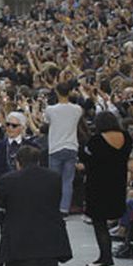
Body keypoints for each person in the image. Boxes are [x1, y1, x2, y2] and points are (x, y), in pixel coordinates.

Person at [78, 111, 133, 266]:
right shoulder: (126, 138)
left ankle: (106, 259)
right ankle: (103, 257)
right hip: (117, 184)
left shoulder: (96, 141)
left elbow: (85, 157)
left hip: (99, 185)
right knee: (103, 223)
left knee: (99, 223)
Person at [44, 81, 83, 215]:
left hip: (56, 147)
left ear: (57, 92)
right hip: (71, 146)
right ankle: (64, 208)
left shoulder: (50, 109)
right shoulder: (77, 109)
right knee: (68, 180)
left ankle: (54, 207)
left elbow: (46, 122)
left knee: (54, 180)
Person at [0, 112, 35, 198]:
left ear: (22, 127)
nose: (10, 128)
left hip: (25, 193)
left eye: (14, 125)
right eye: (8, 125)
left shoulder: (32, 147)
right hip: (2, 192)